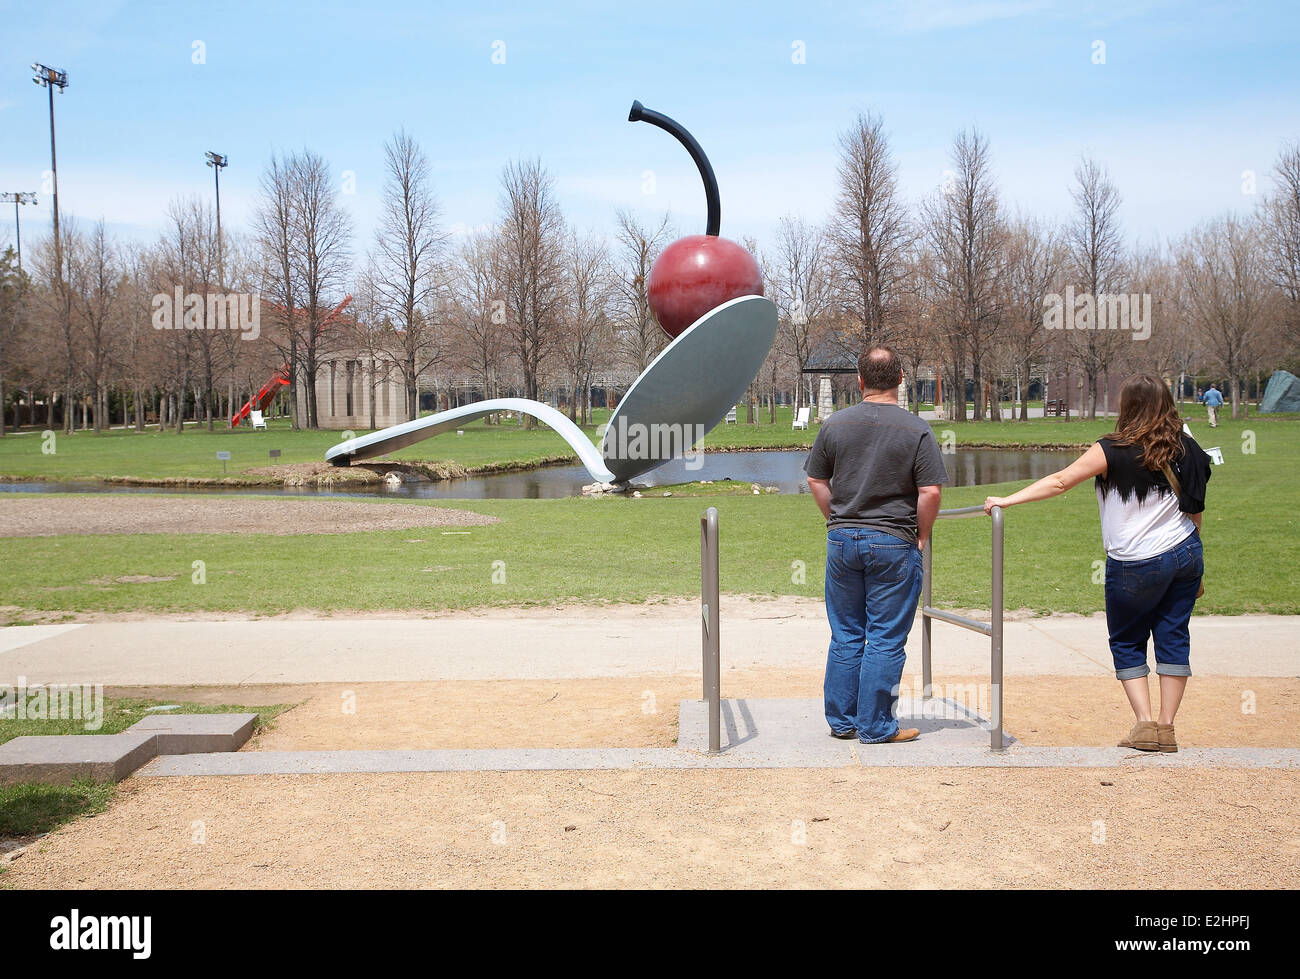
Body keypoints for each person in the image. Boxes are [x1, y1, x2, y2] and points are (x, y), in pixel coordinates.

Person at [983, 373, 1212, 752]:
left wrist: (1007, 500)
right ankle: (1167, 728)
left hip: (1135, 561)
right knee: (1174, 636)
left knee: (1126, 639)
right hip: (1186, 553)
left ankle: (1144, 725)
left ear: (1126, 406)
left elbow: (1060, 482)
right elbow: (1195, 510)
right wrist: (1195, 559)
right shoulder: (1188, 448)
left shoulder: (1111, 449)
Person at [804, 346, 947, 744]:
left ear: (860, 380)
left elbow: (816, 480)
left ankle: (843, 720)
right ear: (901, 378)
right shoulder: (916, 429)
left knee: (847, 633)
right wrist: (921, 534)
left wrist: (835, 519)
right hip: (894, 542)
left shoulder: (834, 425)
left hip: (843, 541)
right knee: (885, 637)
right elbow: (931, 492)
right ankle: (877, 725)